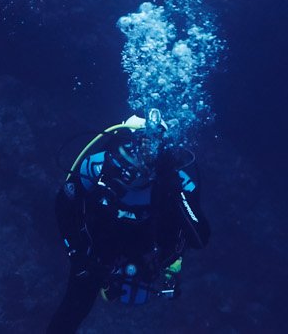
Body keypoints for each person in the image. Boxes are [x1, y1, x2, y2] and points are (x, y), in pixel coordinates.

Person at [49, 113, 210, 332]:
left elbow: (199, 237)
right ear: (128, 141)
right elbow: (65, 202)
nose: (146, 156)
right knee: (74, 307)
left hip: (148, 251)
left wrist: (174, 190)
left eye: (155, 147)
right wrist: (77, 253)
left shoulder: (177, 181)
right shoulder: (100, 166)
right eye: (141, 144)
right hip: (98, 248)